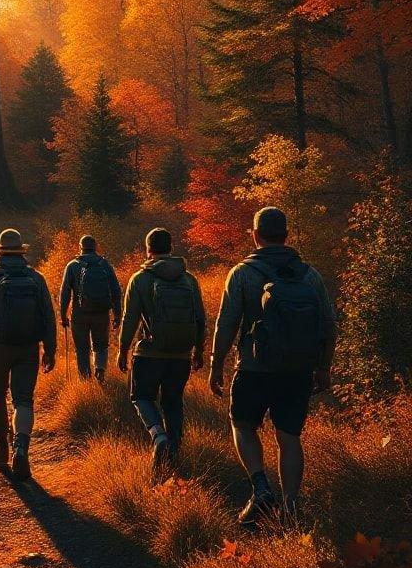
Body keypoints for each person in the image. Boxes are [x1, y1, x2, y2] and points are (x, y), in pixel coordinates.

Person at [209, 206, 336, 527]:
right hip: (297, 370)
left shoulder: (242, 273)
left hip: (253, 368)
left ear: (255, 234)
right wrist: (323, 367)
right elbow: (328, 324)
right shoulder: (310, 275)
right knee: (289, 436)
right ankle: (290, 509)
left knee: (241, 425)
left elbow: (227, 322)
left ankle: (261, 487)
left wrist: (216, 363)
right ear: (286, 235)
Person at [0, 228, 56, 481]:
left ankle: (1, 448)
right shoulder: (36, 279)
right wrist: (50, 349)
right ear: (21, 252)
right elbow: (48, 316)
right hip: (29, 347)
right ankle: (21, 449)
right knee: (24, 399)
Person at [117, 227, 205, 478]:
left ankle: (158, 436)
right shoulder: (189, 279)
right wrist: (198, 350)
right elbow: (200, 318)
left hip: (148, 354)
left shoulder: (140, 278)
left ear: (148, 250)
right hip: (181, 355)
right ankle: (174, 457)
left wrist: (122, 350)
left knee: (141, 397)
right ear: (170, 248)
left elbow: (130, 318)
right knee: (173, 401)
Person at [59, 234, 122, 381]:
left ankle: (85, 379)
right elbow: (116, 290)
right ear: (95, 247)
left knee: (82, 348)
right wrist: (117, 314)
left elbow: (65, 293)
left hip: (79, 315)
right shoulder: (105, 265)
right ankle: (100, 370)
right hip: (101, 313)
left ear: (80, 247)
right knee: (101, 345)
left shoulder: (73, 265)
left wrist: (63, 315)